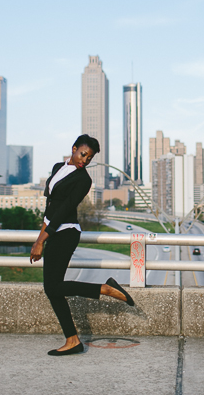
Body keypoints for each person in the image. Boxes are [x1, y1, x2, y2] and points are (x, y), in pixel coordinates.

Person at [30, 134, 134, 356]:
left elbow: (64, 210)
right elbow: (51, 208)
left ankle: (105, 289)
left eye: (89, 158)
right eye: (83, 154)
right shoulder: (58, 167)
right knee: (53, 289)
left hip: (66, 233)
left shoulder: (84, 180)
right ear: (74, 148)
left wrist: (40, 242)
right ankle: (73, 340)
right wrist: (39, 239)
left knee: (52, 287)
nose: (85, 160)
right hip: (52, 232)